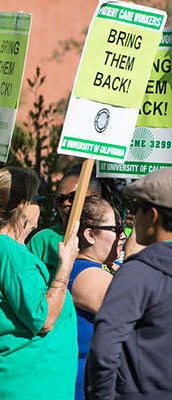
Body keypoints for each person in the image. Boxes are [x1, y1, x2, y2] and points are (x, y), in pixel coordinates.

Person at [0, 166, 79, 400]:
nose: (42, 206)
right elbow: (44, 318)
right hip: (26, 385)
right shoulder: (10, 254)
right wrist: (65, 266)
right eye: (37, 199)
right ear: (22, 206)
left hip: (24, 382)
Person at [86, 168, 172, 399]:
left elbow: (104, 348)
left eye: (135, 209)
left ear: (153, 215)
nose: (131, 218)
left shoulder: (139, 272)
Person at [68, 197, 125, 400]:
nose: (123, 235)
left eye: (123, 227)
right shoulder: (83, 273)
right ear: (90, 235)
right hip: (87, 385)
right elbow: (131, 309)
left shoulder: (105, 267)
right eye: (116, 229)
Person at [28, 165, 101, 271]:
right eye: (60, 198)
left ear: (96, 198)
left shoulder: (109, 237)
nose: (65, 203)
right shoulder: (43, 240)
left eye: (73, 197)